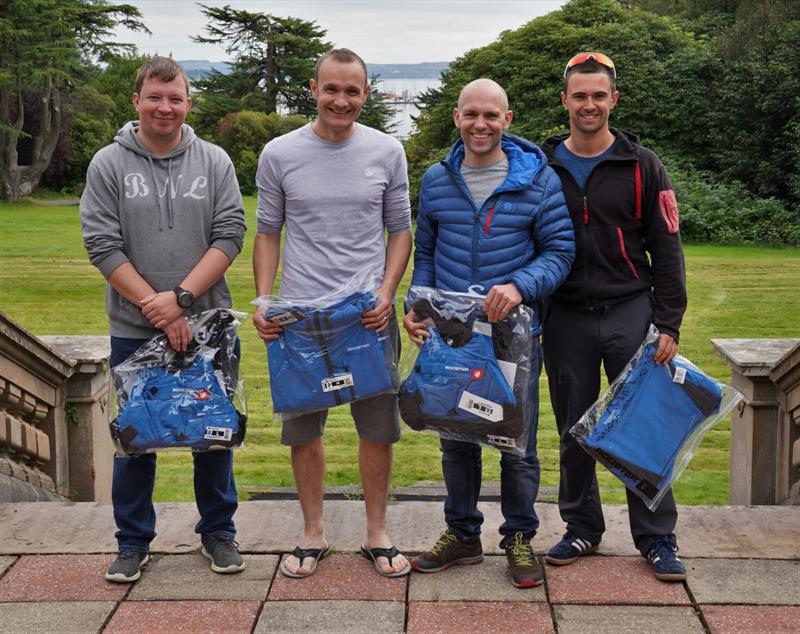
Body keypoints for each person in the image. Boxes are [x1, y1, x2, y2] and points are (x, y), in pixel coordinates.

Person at [79, 56, 247, 583]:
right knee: (135, 439)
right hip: (134, 328)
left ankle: (218, 533)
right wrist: (159, 307)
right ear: (137, 101)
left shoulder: (214, 160)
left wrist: (182, 298)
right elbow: (102, 245)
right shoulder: (108, 163)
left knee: (213, 433)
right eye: (155, 96)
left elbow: (230, 234)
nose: (165, 107)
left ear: (188, 103)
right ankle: (132, 541)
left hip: (210, 326)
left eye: (175, 98)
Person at [405, 78, 575, 588]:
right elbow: (427, 252)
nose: (481, 124)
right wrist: (418, 306)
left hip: (512, 336)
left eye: (491, 115)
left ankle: (519, 537)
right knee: (455, 437)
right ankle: (461, 534)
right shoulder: (437, 179)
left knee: (515, 440)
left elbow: (560, 252)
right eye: (472, 114)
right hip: (453, 334)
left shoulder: (538, 180)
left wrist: (520, 286)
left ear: (508, 119)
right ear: (457, 117)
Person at [252, 48, 413, 579]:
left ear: (366, 92)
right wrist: (265, 300)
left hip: (366, 315)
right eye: (332, 89)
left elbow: (400, 230)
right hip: (300, 318)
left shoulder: (388, 151)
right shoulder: (279, 153)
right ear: (313, 88)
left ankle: (376, 533)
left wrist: (387, 292)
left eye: (352, 91)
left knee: (378, 429)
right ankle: (312, 534)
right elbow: (268, 233)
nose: (341, 100)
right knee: (303, 432)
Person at [540, 52, 688, 581]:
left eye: (598, 95)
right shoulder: (542, 164)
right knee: (574, 429)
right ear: (565, 100)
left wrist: (668, 323)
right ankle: (582, 527)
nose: (589, 105)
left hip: (631, 310)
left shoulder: (643, 165)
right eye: (579, 95)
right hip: (566, 317)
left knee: (641, 428)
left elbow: (667, 249)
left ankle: (657, 539)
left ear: (613, 100)